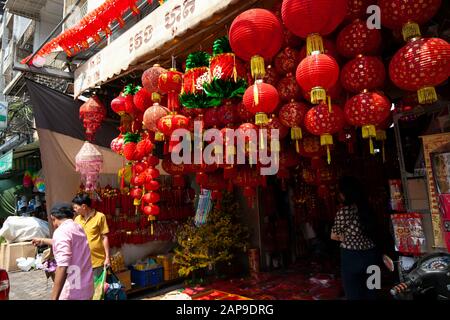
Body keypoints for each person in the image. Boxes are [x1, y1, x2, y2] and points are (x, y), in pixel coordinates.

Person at [331, 176, 380, 300]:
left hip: (351, 257)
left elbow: (335, 236)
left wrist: (348, 237)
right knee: (373, 292)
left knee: (354, 294)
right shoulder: (369, 208)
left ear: (345, 193)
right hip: (371, 255)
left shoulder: (343, 212)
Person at [32, 203, 94, 300]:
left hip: (73, 292)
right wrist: (42, 240)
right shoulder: (77, 227)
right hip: (87, 288)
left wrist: (54, 297)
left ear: (53, 217)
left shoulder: (61, 231)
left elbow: (62, 266)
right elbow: (68, 244)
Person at [72, 193, 110, 279]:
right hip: (82, 261)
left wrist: (107, 258)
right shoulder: (77, 219)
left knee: (98, 289)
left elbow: (104, 238)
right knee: (86, 290)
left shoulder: (100, 217)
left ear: (84, 206)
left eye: (76, 207)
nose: (74, 210)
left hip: (98, 261)